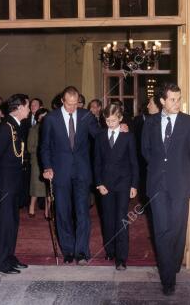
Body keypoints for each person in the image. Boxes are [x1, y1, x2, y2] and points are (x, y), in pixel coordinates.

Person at [142, 82, 190, 296]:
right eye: (172, 99)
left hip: (180, 184)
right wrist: (162, 168)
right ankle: (167, 278)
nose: (177, 103)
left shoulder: (189, 122)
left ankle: (174, 263)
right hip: (156, 184)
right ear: (162, 101)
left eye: (179, 99)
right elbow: (146, 151)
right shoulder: (149, 123)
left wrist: (184, 172)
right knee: (161, 230)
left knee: (177, 230)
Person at [40, 86, 101, 265]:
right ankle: (67, 250)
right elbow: (44, 146)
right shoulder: (51, 119)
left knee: (83, 213)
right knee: (62, 212)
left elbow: (99, 136)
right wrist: (47, 167)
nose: (72, 108)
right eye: (69, 104)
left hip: (82, 171)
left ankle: (82, 252)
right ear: (62, 101)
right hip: (60, 172)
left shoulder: (86, 116)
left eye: (75, 104)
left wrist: (116, 129)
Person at [0, 94, 30, 274]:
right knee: (5, 223)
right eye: (26, 106)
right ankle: (0, 263)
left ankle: (9, 257)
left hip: (14, 181)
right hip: (5, 183)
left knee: (13, 222)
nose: (28, 109)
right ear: (18, 107)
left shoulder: (16, 125)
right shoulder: (6, 127)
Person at [95, 104, 139, 270]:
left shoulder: (128, 137)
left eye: (113, 120)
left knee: (121, 219)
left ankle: (121, 257)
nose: (110, 123)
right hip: (105, 184)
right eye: (107, 120)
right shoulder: (99, 137)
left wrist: (134, 184)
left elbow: (134, 163)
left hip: (123, 183)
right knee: (107, 218)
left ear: (120, 119)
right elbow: (97, 162)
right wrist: (99, 183)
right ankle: (110, 250)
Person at [28, 108, 50, 218]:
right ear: (37, 118)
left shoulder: (51, 128)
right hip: (36, 161)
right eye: (41, 116)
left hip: (49, 161)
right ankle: (31, 208)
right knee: (36, 187)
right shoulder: (33, 129)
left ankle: (47, 211)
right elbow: (29, 148)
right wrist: (42, 149)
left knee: (48, 189)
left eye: (46, 116)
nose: (44, 118)